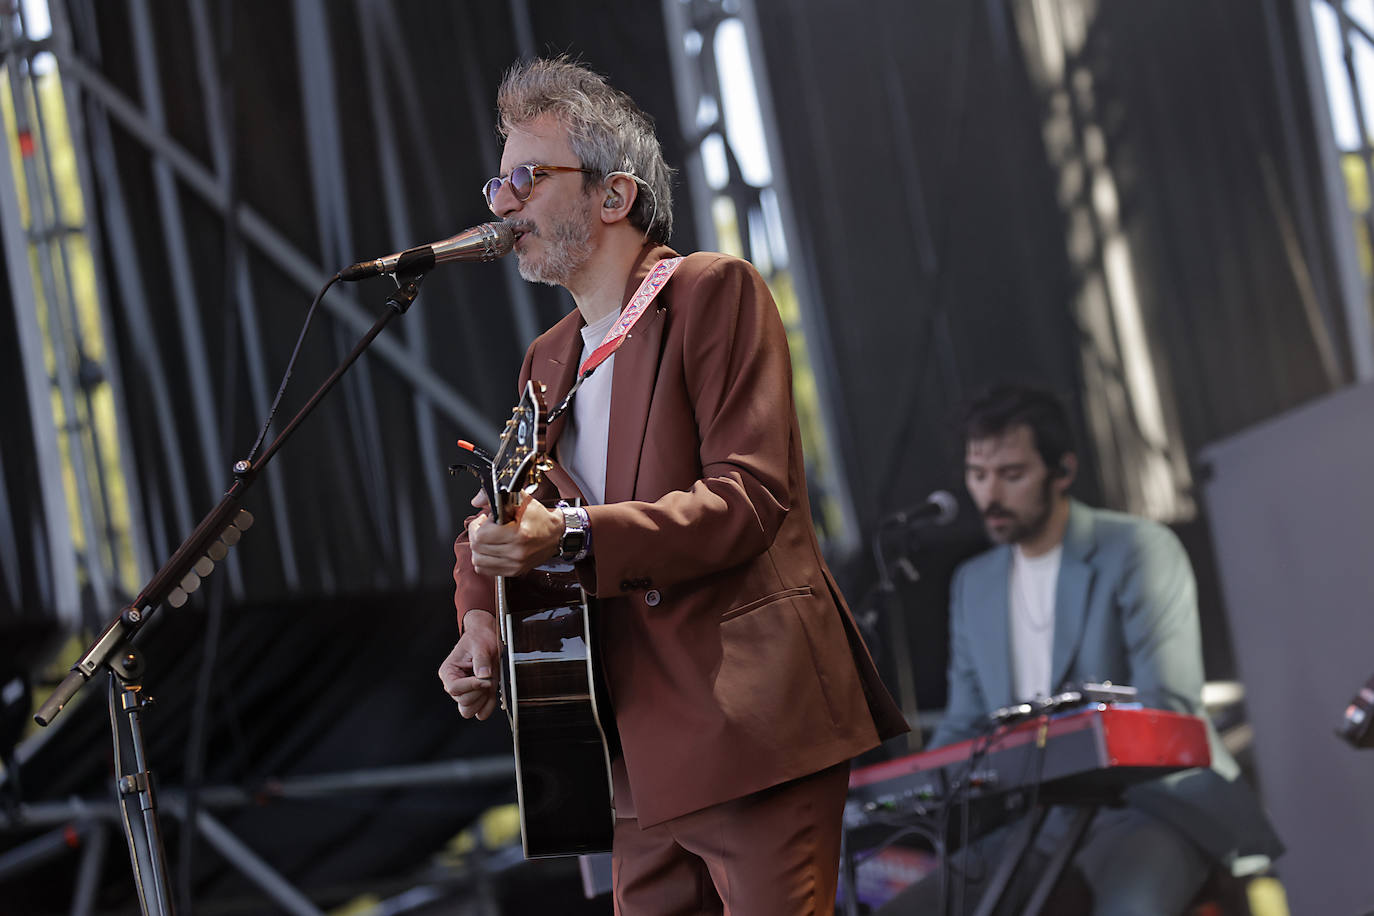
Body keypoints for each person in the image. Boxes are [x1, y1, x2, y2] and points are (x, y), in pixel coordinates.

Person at [436, 57, 907, 914]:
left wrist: (571, 537)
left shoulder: (710, 292)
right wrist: (477, 618)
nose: (500, 204)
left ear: (613, 197)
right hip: (623, 750)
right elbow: (497, 514)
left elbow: (749, 498)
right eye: (496, 181)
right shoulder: (549, 359)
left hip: (747, 724)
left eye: (525, 178)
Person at [878, 383, 1282, 915]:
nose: (989, 495)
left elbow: (1170, 709)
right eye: (978, 475)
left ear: (1062, 472)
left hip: (1150, 807)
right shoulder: (972, 584)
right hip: (1039, 822)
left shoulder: (1138, 550)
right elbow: (965, 726)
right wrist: (907, 792)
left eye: (1012, 474)